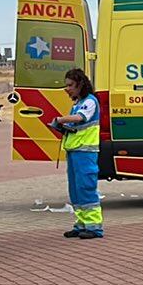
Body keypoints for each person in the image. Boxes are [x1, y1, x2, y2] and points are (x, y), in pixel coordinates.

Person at [52, 67, 103, 240]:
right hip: (75, 151)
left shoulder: (90, 102)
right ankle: (81, 224)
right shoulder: (78, 104)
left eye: (70, 85)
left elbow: (81, 118)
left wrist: (61, 119)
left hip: (85, 153)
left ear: (80, 84)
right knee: (75, 190)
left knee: (86, 188)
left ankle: (94, 227)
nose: (67, 89)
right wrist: (63, 127)